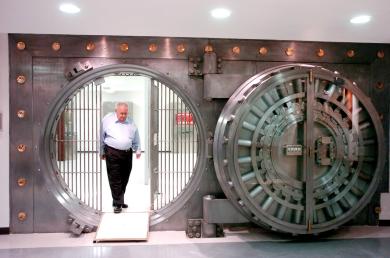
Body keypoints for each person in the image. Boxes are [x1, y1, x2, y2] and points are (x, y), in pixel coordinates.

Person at [100, 102, 141, 213]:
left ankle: (118, 199)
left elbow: (136, 136)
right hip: (112, 152)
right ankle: (118, 203)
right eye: (121, 113)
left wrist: (137, 149)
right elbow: (101, 137)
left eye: (125, 113)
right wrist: (101, 151)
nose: (123, 116)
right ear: (116, 111)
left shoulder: (131, 122)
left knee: (125, 178)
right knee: (115, 178)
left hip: (127, 154)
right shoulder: (107, 120)